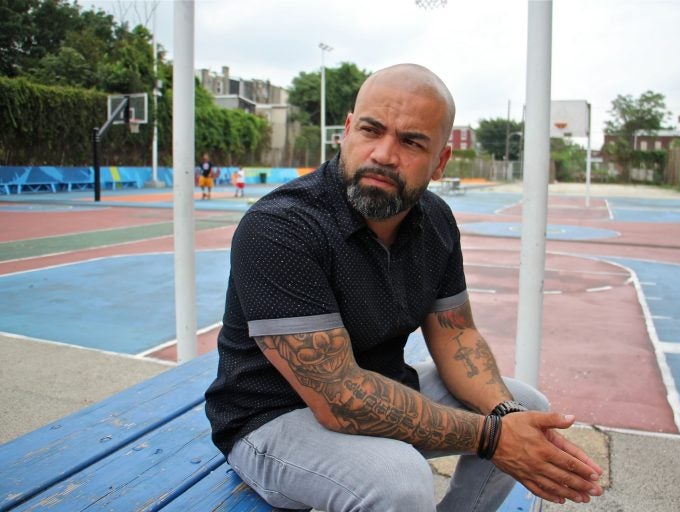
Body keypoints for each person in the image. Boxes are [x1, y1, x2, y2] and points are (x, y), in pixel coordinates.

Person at [205, 63, 603, 512]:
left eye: (411, 141)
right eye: (372, 130)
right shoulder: (281, 227)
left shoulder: (434, 220)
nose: (384, 154)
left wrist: (507, 420)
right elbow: (339, 397)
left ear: (441, 161)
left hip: (382, 385)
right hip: (270, 419)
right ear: (348, 130)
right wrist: (493, 437)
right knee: (398, 479)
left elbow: (456, 336)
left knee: (525, 407)